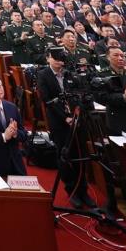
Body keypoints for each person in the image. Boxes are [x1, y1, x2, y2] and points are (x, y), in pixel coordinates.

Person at [37, 48, 92, 208]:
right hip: (59, 121)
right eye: (55, 58)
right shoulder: (43, 75)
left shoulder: (70, 73)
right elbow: (47, 100)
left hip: (77, 119)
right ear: (48, 58)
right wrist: (65, 117)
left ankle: (83, 190)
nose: (58, 61)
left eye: (61, 58)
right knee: (64, 155)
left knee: (81, 154)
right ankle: (71, 190)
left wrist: (76, 115)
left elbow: (80, 93)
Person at [97, 46, 126, 135]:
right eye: (116, 55)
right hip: (116, 118)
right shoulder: (102, 75)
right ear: (108, 58)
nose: (120, 58)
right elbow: (101, 97)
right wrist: (123, 96)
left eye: (122, 56)